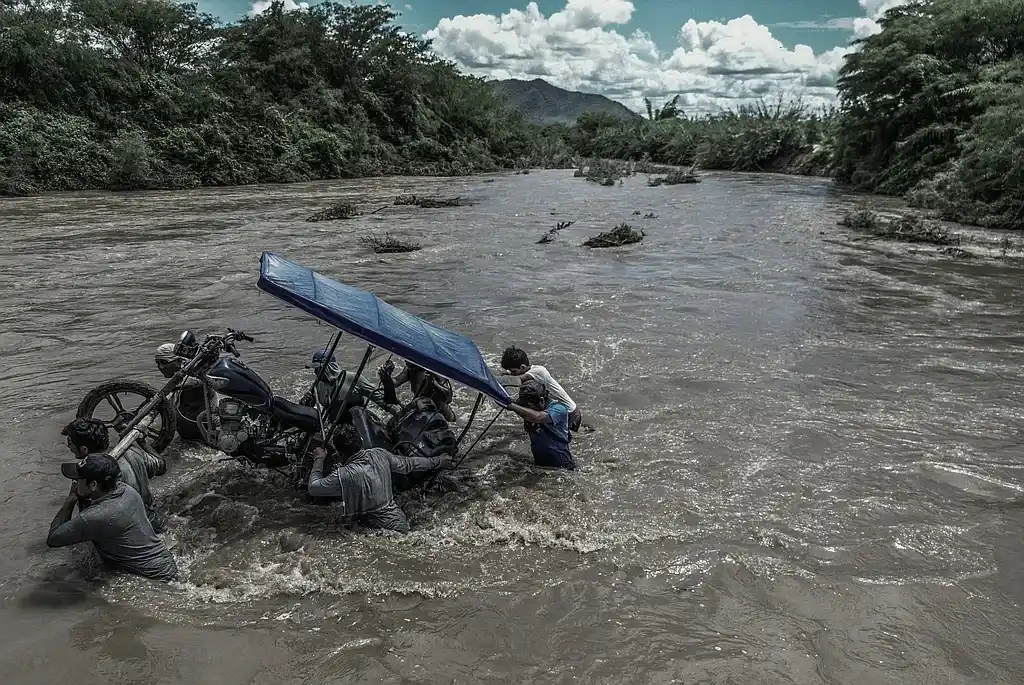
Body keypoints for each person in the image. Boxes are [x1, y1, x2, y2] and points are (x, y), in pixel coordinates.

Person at [47, 453, 178, 581]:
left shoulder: (95, 517)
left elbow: (53, 539)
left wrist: (71, 499)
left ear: (93, 485)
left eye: (78, 479)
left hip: (150, 576)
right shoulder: (127, 490)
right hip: (165, 563)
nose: (74, 482)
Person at [307, 424, 450, 533]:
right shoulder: (380, 454)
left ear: (339, 453)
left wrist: (319, 459)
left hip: (379, 532)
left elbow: (313, 488)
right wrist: (438, 460)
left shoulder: (344, 475)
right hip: (400, 523)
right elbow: (409, 464)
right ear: (360, 441)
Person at [62, 417, 168, 530]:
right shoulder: (131, 451)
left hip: (129, 533)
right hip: (153, 521)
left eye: (70, 444)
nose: (69, 447)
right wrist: (142, 442)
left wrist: (75, 496)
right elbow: (162, 467)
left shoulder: (91, 474)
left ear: (84, 449)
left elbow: (88, 519)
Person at [500, 346, 584, 433]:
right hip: (554, 409)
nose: (513, 374)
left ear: (522, 367)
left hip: (569, 412)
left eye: (513, 372)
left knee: (571, 439)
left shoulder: (538, 371)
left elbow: (516, 380)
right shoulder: (529, 370)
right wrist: (508, 372)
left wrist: (496, 382)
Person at [299, 348, 390, 420]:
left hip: (358, 425)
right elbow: (308, 407)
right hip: (333, 426)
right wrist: (305, 403)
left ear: (329, 368)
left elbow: (383, 401)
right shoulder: (318, 385)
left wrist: (396, 413)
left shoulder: (353, 379)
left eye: (318, 369)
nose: (315, 372)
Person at [505, 379, 575, 471]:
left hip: (560, 465)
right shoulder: (528, 406)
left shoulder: (559, 409)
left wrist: (512, 406)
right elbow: (512, 405)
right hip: (540, 463)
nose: (526, 411)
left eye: (529, 408)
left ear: (541, 401)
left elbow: (537, 417)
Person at [155, 343, 206, 442]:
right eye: (158, 363)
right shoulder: (178, 377)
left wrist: (172, 387)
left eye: (164, 362)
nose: (160, 367)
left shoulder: (194, 373)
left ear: (179, 360)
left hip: (203, 437)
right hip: (188, 438)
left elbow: (196, 381)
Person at [380, 359, 456, 422]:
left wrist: (434, 384)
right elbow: (396, 382)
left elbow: (448, 398)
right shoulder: (410, 369)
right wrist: (386, 376)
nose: (405, 360)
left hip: (442, 415)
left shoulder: (436, 371)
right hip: (421, 408)